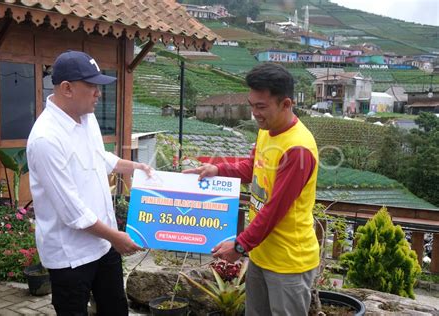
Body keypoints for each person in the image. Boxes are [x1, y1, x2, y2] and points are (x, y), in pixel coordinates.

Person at [183, 63, 319, 316]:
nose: (254, 113)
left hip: (288, 262)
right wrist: (217, 169)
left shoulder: (297, 149)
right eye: (252, 105)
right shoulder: (268, 130)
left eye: (261, 106)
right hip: (261, 254)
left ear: (286, 104)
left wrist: (239, 246)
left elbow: (274, 210)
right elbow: (252, 168)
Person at [27, 50, 152, 315]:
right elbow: (72, 212)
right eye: (92, 86)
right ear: (67, 88)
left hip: (103, 243)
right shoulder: (46, 139)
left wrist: (135, 166)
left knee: (115, 309)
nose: (99, 93)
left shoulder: (87, 118)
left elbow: (99, 158)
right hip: (71, 255)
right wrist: (117, 237)